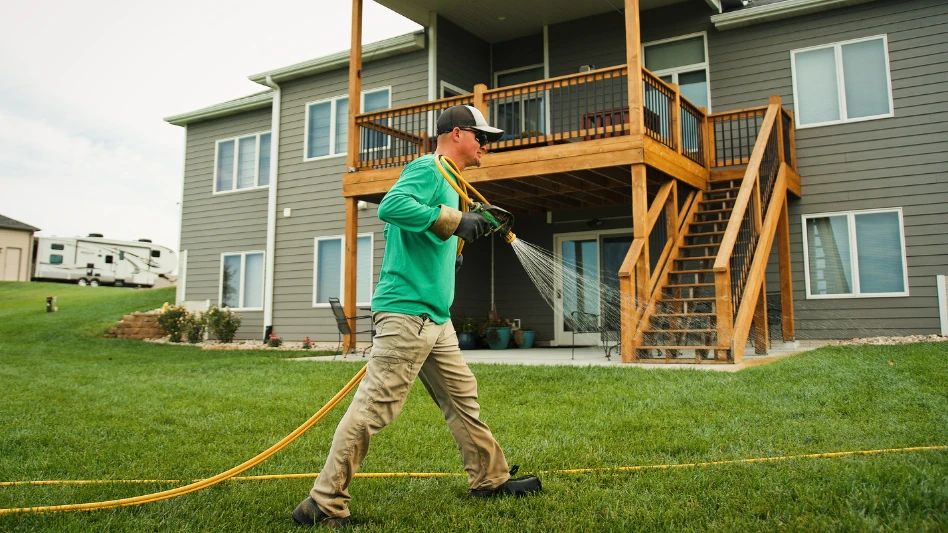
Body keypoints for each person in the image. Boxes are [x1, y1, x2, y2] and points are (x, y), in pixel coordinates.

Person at [292, 105, 542, 528]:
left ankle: (489, 479)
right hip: (408, 315)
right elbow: (391, 207)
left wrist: (457, 244)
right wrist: (454, 219)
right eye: (481, 136)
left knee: (463, 399)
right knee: (374, 408)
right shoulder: (428, 168)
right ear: (458, 134)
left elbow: (414, 234)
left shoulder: (452, 180)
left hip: (435, 319)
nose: (485, 145)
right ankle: (324, 502)